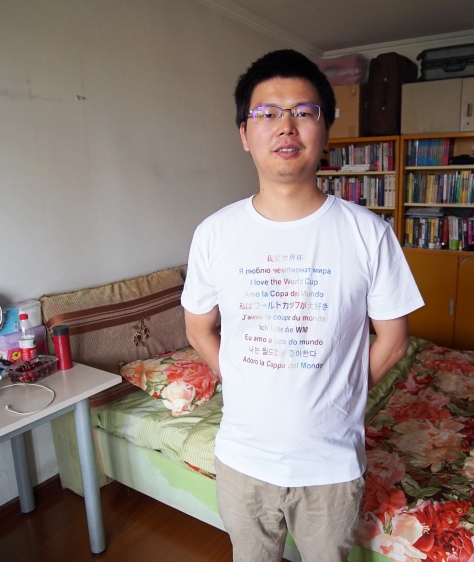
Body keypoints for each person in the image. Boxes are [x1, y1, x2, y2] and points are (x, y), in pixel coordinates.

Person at [180, 49, 424, 562]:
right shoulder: (214, 234)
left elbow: (394, 341)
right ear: (245, 135)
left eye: (304, 112)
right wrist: (244, 382)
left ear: (325, 130)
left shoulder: (368, 234)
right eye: (267, 113)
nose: (285, 127)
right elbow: (200, 329)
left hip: (331, 468)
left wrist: (340, 397)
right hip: (243, 461)